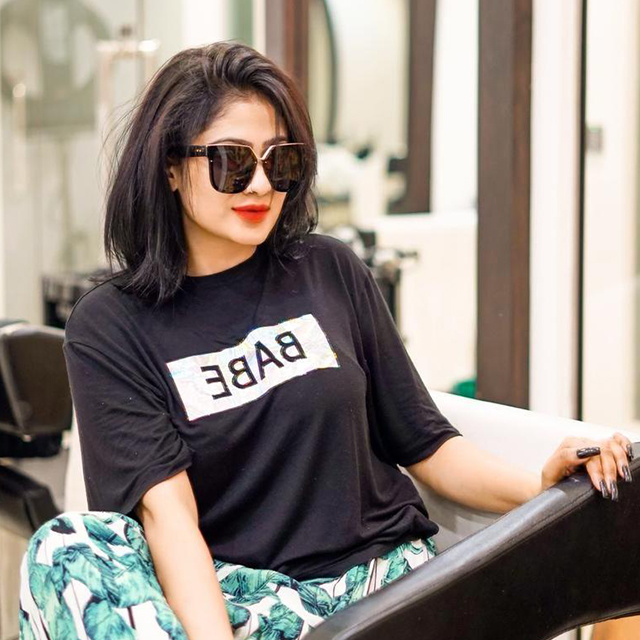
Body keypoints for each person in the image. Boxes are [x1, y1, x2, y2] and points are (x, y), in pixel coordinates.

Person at [18, 41, 634, 640]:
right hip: (241, 604)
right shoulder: (113, 323)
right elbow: (168, 519)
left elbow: (427, 443)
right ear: (171, 168)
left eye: (280, 161)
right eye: (233, 162)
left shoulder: (328, 270)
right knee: (63, 548)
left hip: (381, 590)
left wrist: (539, 489)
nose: (261, 185)